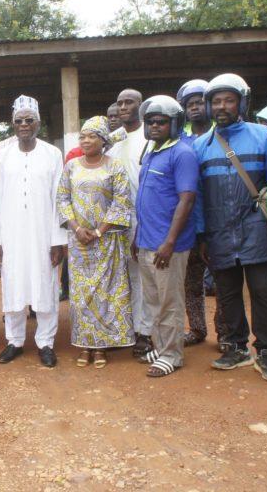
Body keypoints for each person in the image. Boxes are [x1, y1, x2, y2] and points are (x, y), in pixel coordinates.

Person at [193, 74, 267, 381]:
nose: (222, 106)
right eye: (216, 101)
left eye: (228, 100)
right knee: (226, 292)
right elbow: (200, 195)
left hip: (256, 226)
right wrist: (203, 234)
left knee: (262, 291)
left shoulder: (263, 137)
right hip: (218, 231)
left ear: (242, 102)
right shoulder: (201, 146)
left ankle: (266, 350)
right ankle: (236, 347)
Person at [0, 95, 66, 368]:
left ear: (38, 123)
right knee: (14, 285)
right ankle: (15, 341)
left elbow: (59, 199)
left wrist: (58, 240)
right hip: (12, 234)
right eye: (18, 121)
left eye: (29, 120)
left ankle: (46, 342)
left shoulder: (53, 154)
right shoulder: (2, 155)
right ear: (12, 124)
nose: (23, 125)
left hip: (44, 233)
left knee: (46, 286)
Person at [58, 116, 133, 368]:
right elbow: (62, 199)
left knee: (105, 294)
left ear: (103, 140)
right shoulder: (71, 167)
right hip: (79, 243)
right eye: (83, 136)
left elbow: (121, 201)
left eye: (92, 136)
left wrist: (100, 231)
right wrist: (77, 228)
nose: (86, 140)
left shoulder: (115, 166)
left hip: (108, 241)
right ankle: (84, 344)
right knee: (81, 295)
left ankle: (100, 347)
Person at [133, 96, 199, 377]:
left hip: (167, 245)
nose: (155, 126)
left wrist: (170, 242)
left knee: (170, 300)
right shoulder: (151, 152)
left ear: (175, 123)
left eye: (161, 121)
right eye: (150, 122)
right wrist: (138, 236)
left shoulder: (182, 153)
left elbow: (186, 199)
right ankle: (161, 347)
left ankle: (172, 354)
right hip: (147, 241)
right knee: (152, 301)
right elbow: (145, 200)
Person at [108, 88, 153, 356]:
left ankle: (145, 333)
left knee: (143, 278)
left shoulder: (149, 137)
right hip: (116, 221)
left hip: (143, 217)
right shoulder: (114, 143)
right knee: (121, 278)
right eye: (120, 102)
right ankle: (125, 330)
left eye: (129, 102)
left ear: (141, 106)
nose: (123, 107)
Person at [175, 79, 213, 347]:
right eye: (190, 104)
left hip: (218, 222)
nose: (195, 108)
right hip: (189, 223)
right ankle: (197, 328)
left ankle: (227, 334)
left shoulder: (221, 136)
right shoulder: (180, 140)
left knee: (223, 282)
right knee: (191, 282)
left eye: (200, 102)